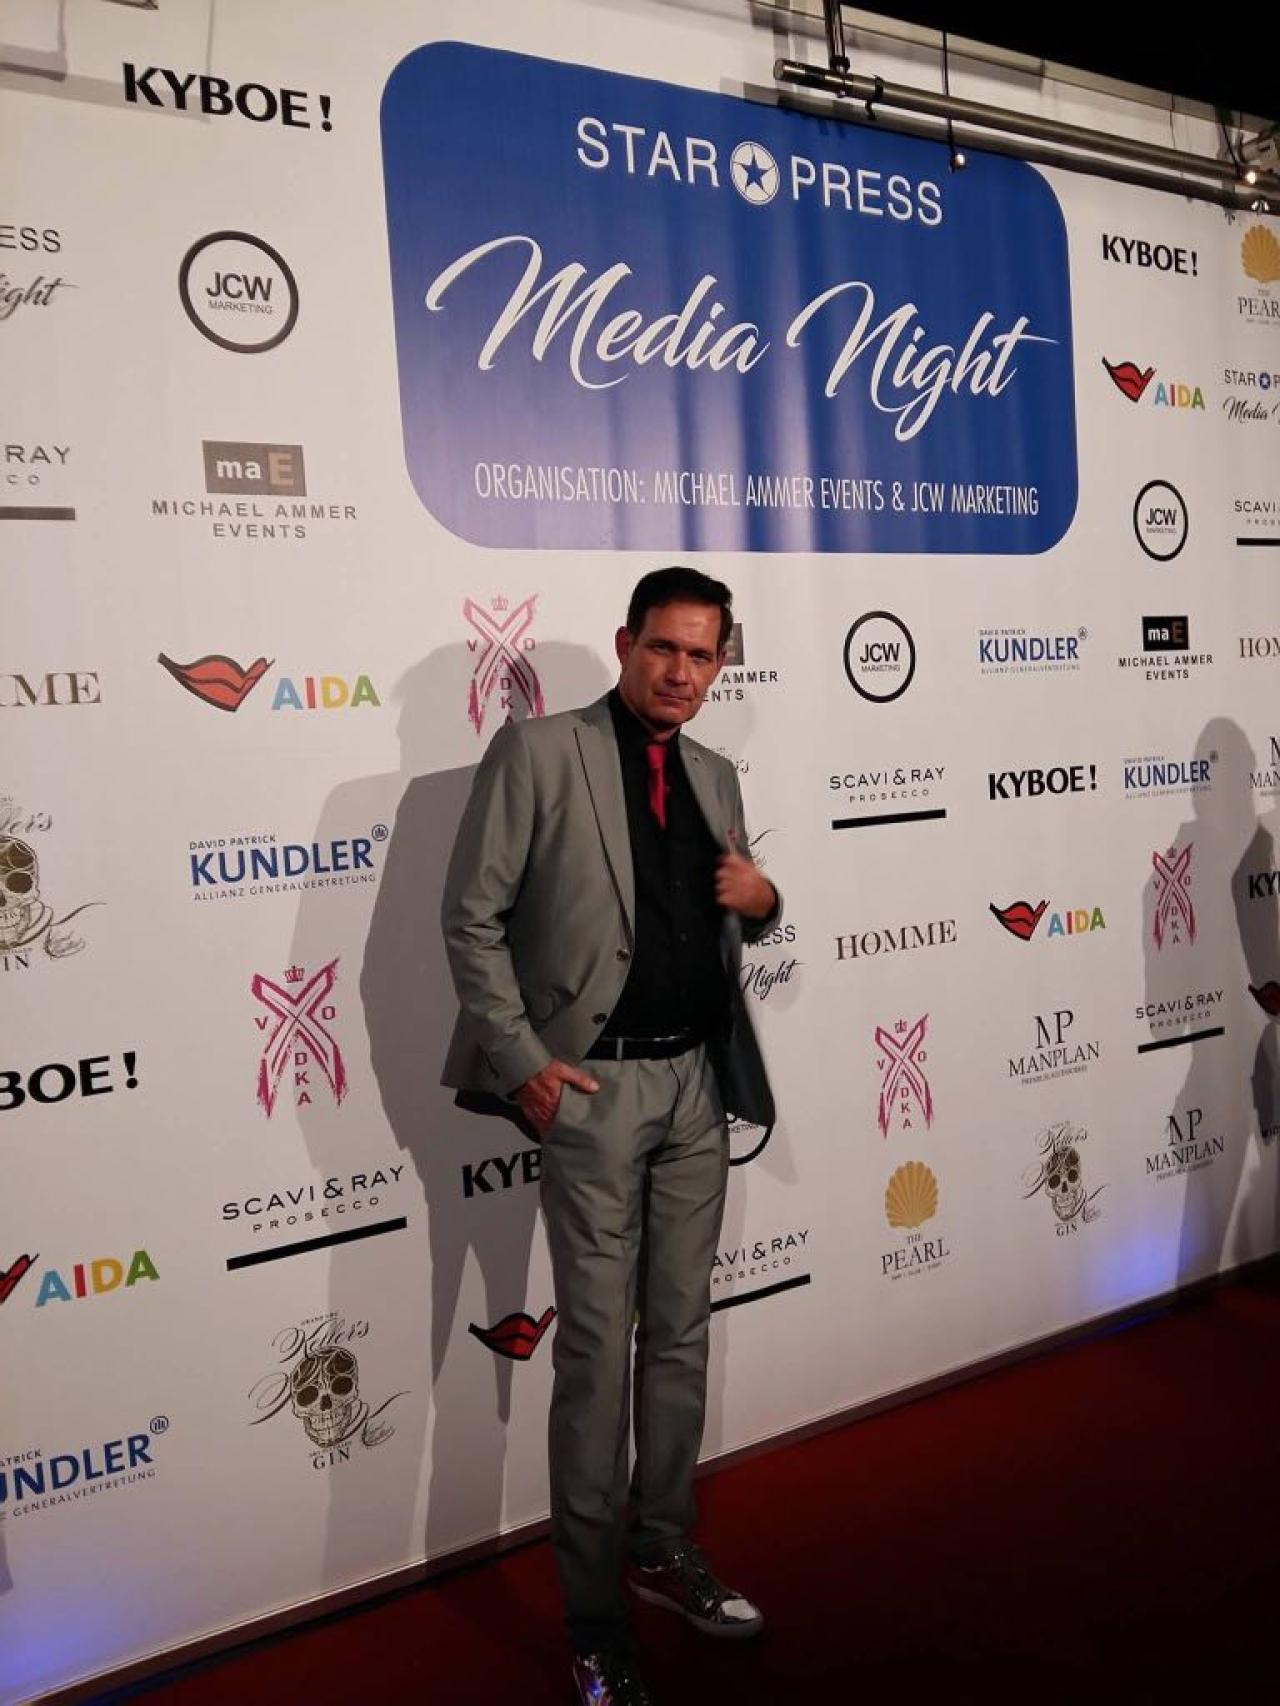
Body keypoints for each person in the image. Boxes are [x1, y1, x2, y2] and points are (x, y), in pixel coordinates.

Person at [441, 566, 780, 1705]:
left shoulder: (716, 774)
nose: (681, 673)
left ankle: (662, 1544)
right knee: (595, 1352)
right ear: (626, 642)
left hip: (696, 1085)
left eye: (702, 655)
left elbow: (718, 913)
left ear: (721, 662)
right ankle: (593, 1623)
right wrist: (525, 1064)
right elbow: (471, 918)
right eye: (663, 649)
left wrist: (766, 902)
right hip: (591, 1090)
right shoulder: (539, 753)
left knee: (678, 1334)